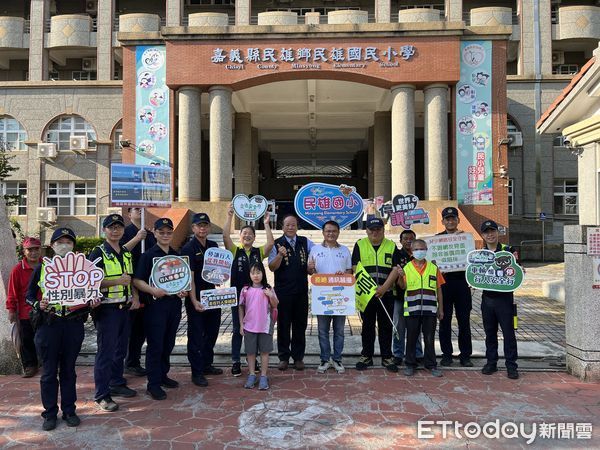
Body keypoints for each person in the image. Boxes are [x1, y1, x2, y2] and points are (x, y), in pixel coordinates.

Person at [26, 228, 99, 431]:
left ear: (74, 245)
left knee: (68, 370)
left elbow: (90, 293)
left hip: (73, 324)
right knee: (49, 372)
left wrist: (92, 301)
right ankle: (49, 413)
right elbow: (29, 294)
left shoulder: (84, 269)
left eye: (68, 241)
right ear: (52, 245)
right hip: (49, 324)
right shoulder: (43, 268)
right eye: (60, 241)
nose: (64, 245)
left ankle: (69, 410)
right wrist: (37, 304)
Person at [133, 218, 189, 400]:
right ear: (155, 233)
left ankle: (163, 375)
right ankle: (153, 383)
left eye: (168, 232)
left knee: (168, 343)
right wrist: (153, 290)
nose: (165, 235)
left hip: (173, 305)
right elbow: (137, 280)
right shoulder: (148, 255)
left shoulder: (176, 255)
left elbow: (182, 281)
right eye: (161, 232)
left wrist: (182, 291)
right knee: (155, 344)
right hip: (155, 306)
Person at [88, 214, 139, 412]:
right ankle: (102, 394)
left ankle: (116, 382)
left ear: (123, 230)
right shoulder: (98, 252)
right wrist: (116, 282)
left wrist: (134, 296)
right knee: (105, 352)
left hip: (125, 308)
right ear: (104, 230)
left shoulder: (125, 253)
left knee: (120, 349)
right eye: (111, 227)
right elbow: (90, 282)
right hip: (107, 310)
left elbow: (131, 278)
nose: (115, 230)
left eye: (118, 227)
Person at [223, 206, 274, 377]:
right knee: (239, 328)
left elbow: (271, 244)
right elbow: (224, 237)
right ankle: (236, 361)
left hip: (257, 297)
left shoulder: (258, 252)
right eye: (244, 233)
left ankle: (252, 359)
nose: (247, 235)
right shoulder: (234, 250)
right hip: (237, 296)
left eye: (250, 234)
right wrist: (229, 217)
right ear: (240, 236)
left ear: (254, 237)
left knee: (255, 328)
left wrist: (266, 224)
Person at [351, 217, 400, 372]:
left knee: (386, 326)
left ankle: (387, 357)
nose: (375, 232)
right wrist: (372, 288)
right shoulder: (360, 244)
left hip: (387, 294)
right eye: (371, 229)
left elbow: (396, 269)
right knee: (367, 326)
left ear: (383, 230)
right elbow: (355, 267)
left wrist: (384, 287)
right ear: (366, 230)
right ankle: (366, 356)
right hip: (367, 294)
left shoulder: (391, 246)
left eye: (378, 229)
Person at [180, 213, 223, 388]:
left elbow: (218, 270)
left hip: (212, 296)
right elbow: (189, 278)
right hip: (196, 298)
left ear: (209, 228)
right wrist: (194, 300)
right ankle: (196, 372)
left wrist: (220, 277)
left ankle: (206, 364)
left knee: (212, 332)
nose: (202, 228)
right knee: (196, 335)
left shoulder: (213, 245)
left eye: (205, 225)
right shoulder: (188, 249)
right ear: (193, 228)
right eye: (199, 225)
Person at [268, 215, 314, 371]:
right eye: (287, 225)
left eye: (293, 225)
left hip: (301, 291)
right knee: (283, 325)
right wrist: (280, 255)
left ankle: (298, 357)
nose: (290, 227)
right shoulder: (276, 244)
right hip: (283, 293)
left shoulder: (305, 242)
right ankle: (283, 357)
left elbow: (315, 257)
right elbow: (271, 267)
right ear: (283, 227)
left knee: (300, 325)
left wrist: (312, 267)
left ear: (297, 226)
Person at [307, 220, 352, 374]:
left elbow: (349, 272)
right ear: (323, 233)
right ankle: (325, 359)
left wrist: (344, 275)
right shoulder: (315, 249)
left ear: (338, 232)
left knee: (339, 330)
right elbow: (310, 270)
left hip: (340, 296)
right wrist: (310, 268)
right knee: (322, 330)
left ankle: (337, 358)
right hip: (322, 298)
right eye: (328, 231)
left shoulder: (345, 250)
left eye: (333, 231)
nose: (331, 233)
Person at [397, 239, 445, 377]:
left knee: (429, 338)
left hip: (430, 309)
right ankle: (410, 364)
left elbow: (439, 289)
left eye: (422, 248)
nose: (420, 251)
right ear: (412, 251)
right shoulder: (406, 268)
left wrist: (440, 309)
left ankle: (431, 365)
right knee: (411, 337)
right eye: (417, 249)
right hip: (412, 309)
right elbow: (402, 286)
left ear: (426, 250)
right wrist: (400, 276)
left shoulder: (433, 268)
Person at [479, 220, 519, 380]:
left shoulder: (509, 251)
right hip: (487, 299)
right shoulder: (480, 254)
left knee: (509, 333)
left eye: (492, 231)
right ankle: (491, 362)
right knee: (490, 332)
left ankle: (511, 365)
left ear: (498, 232)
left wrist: (519, 270)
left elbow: (518, 271)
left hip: (505, 299)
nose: (490, 234)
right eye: (486, 232)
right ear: (482, 235)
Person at [120, 207, 156, 377]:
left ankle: (133, 362)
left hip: (146, 287)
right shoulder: (125, 233)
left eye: (142, 209)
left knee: (141, 329)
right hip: (128, 287)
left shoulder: (149, 235)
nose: (140, 212)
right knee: (127, 329)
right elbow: (119, 253)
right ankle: (120, 367)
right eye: (136, 209)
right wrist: (137, 238)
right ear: (129, 214)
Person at [437, 207, 473, 367]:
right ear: (442, 221)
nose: (450, 221)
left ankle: (465, 355)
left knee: (464, 320)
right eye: (447, 219)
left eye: (453, 218)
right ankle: (446, 354)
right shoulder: (436, 240)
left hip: (462, 284)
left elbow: (473, 261)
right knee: (444, 320)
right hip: (443, 285)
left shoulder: (466, 239)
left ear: (458, 220)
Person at [239, 263, 279, 390]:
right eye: (253, 273)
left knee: (264, 352)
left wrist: (271, 295)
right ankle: (251, 374)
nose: (255, 276)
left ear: (263, 273)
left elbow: (275, 305)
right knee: (250, 352)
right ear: (249, 275)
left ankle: (263, 375)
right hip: (249, 326)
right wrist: (241, 324)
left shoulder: (268, 289)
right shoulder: (245, 290)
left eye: (258, 272)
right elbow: (241, 307)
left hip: (265, 326)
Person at [7, 237, 41, 377]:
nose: (33, 252)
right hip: (26, 312)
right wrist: (11, 310)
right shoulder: (17, 270)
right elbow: (12, 292)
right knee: (27, 340)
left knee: (46, 338)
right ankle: (30, 365)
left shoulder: (47, 266)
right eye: (29, 250)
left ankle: (48, 362)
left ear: (41, 250)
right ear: (24, 251)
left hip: (45, 310)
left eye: (36, 249)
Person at [392, 230, 423, 366]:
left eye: (411, 238)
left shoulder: (420, 256)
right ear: (400, 241)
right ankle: (398, 354)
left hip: (417, 297)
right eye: (405, 238)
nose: (408, 241)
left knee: (416, 327)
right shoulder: (397, 255)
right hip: (399, 297)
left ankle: (417, 353)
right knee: (399, 326)